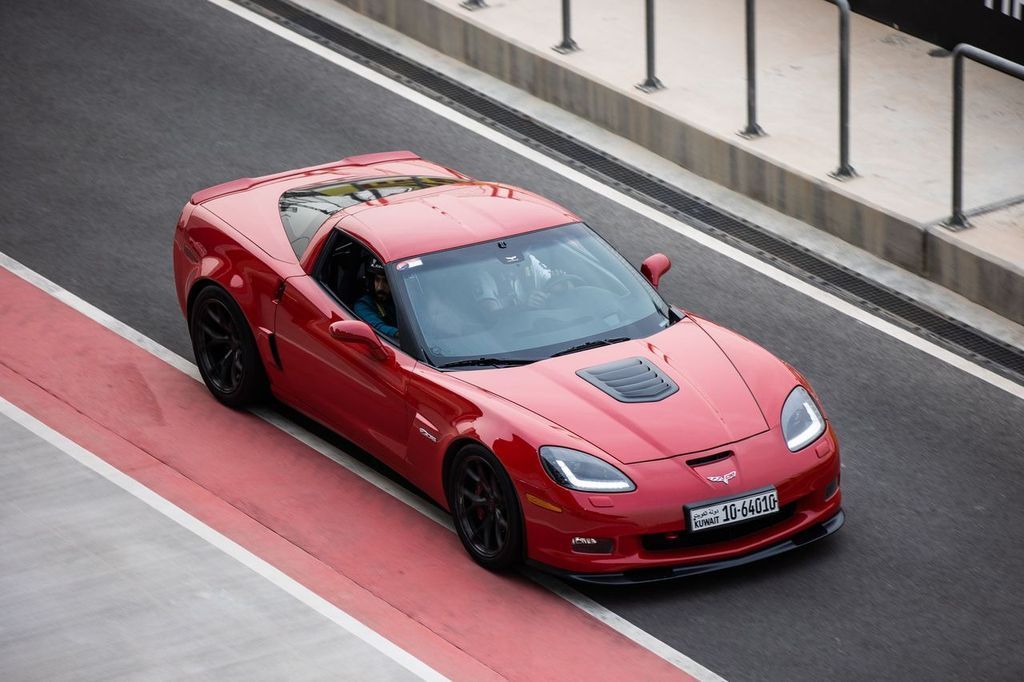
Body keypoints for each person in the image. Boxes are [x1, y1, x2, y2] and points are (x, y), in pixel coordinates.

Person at [354, 256, 399, 338]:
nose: (380, 287)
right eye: (377, 280)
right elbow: (378, 327)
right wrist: (400, 335)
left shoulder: (404, 298)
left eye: (386, 281)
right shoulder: (363, 305)